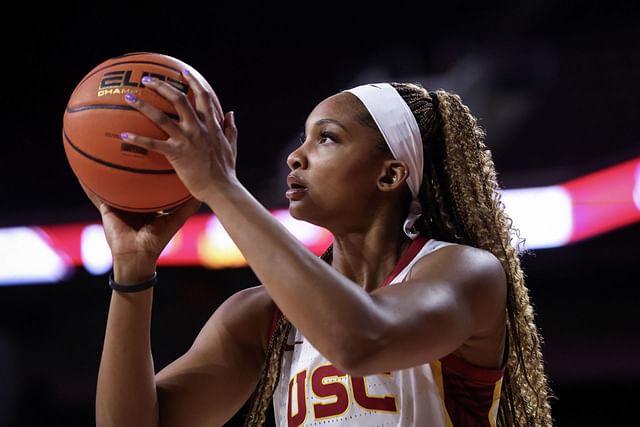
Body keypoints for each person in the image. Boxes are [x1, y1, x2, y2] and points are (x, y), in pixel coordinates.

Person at [86, 71, 553, 426]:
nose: (296, 155)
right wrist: (133, 266)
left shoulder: (464, 272)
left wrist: (221, 188)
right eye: (303, 137)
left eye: (326, 137)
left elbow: (361, 340)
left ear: (390, 175)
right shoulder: (259, 317)